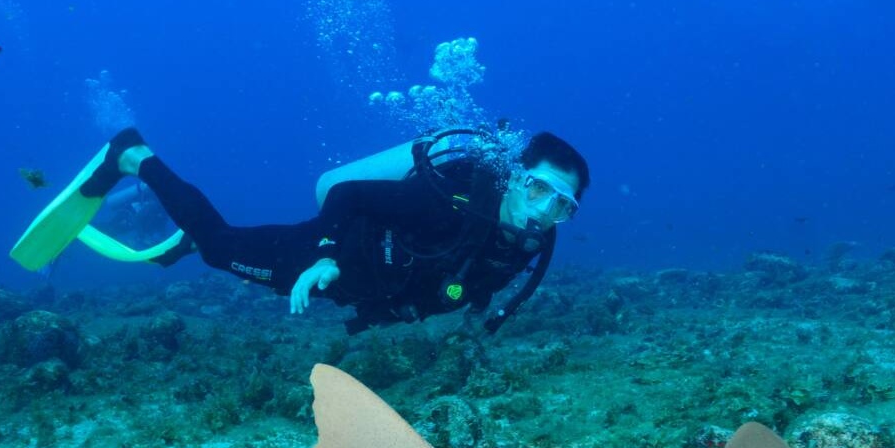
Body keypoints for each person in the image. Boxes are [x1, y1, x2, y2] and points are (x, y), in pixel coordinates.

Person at [56, 127, 586, 334]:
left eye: (561, 205)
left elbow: (471, 282)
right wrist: (327, 254)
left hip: (358, 285)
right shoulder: (445, 203)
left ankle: (184, 237)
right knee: (221, 247)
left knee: (224, 249)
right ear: (515, 176)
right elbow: (347, 194)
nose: (543, 212)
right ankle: (133, 156)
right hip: (327, 254)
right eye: (538, 190)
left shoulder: (527, 241)